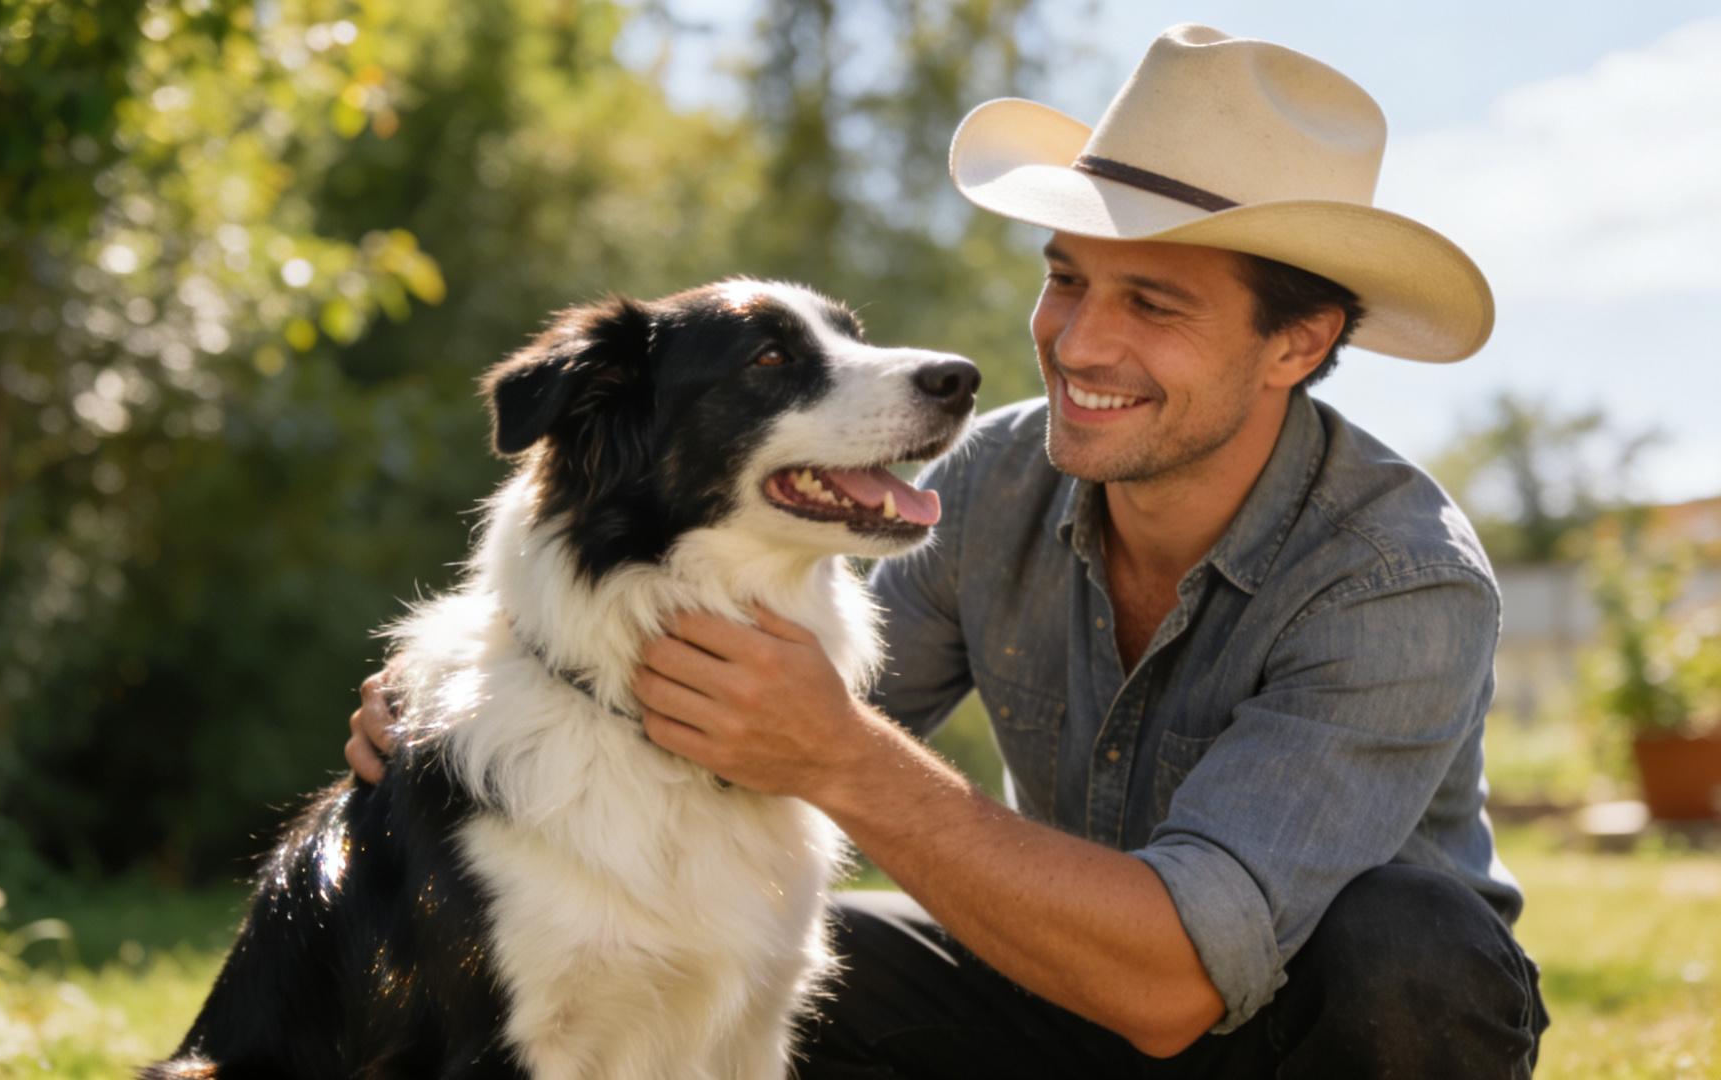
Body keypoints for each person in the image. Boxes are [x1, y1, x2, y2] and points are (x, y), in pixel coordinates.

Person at [346, 24, 1547, 1078]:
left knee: (1410, 950)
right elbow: (742, 723)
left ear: (1297, 342)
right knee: (772, 953)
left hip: (1309, 1035)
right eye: (1068, 281)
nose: (1079, 343)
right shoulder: (993, 480)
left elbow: (1176, 977)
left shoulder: (1401, 578)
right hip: (1066, 1001)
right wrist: (466, 703)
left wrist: (846, 760)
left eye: (1155, 306)